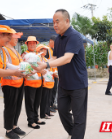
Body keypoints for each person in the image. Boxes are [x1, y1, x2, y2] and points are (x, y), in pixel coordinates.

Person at [32, 9, 88, 139]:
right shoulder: (58, 39)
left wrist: (46, 65)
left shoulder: (74, 36)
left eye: (57, 21)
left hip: (78, 84)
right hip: (64, 84)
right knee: (62, 111)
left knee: (79, 117)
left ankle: (76, 136)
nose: (55, 25)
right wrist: (40, 64)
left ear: (67, 21)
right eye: (53, 22)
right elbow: (55, 58)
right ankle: (73, 133)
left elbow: (67, 58)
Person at [1, 31, 26, 139]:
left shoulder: (16, 51)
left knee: (17, 106)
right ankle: (8, 130)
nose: (17, 39)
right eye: (15, 37)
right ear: (9, 37)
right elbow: (5, 65)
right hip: (9, 83)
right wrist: (18, 70)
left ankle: (14, 126)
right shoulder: (4, 50)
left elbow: (20, 64)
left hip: (19, 82)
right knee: (10, 107)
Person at [21, 36, 46, 129]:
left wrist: (43, 70)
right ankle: (30, 121)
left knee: (37, 102)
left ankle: (36, 118)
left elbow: (42, 65)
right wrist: (37, 70)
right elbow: (24, 67)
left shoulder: (38, 55)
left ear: (36, 44)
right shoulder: (24, 55)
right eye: (30, 43)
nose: (32, 44)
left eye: (33, 43)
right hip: (29, 82)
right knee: (30, 103)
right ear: (27, 44)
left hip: (39, 82)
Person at [36, 44, 55, 119]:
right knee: (44, 99)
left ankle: (47, 112)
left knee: (48, 98)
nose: (45, 51)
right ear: (39, 50)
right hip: (43, 82)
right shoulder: (38, 58)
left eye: (46, 50)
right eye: (43, 49)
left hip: (49, 81)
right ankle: (43, 114)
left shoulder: (45, 59)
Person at [45, 35, 58, 112]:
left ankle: (52, 104)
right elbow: (45, 61)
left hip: (55, 73)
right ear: (51, 41)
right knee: (50, 91)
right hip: (50, 74)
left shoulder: (54, 49)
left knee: (54, 90)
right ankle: (49, 105)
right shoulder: (47, 50)